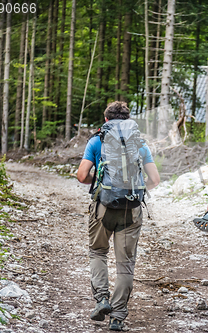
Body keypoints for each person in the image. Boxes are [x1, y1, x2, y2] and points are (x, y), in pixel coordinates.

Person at [77, 101, 160, 331]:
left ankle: (102, 299)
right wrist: (133, 191)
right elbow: (154, 180)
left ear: (106, 120)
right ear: (128, 120)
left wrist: (100, 183)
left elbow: (82, 175)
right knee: (125, 265)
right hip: (131, 210)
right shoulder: (139, 144)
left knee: (97, 252)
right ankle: (118, 317)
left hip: (102, 207)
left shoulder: (97, 140)